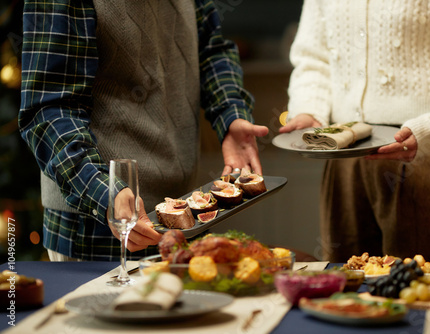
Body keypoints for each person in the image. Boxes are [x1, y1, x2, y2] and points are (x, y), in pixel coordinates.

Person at [19, 0, 268, 261]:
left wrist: (230, 115)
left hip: (184, 213)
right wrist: (105, 193)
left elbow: (211, 48)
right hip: (96, 226)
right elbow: (48, 110)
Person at [280, 1, 430, 262]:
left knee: (427, 289)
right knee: (346, 289)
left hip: (428, 160)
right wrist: (308, 110)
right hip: (345, 161)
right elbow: (312, 60)